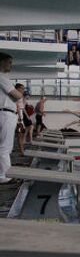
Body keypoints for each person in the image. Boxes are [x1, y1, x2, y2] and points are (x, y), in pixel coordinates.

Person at [0, 54, 23, 184]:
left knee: (4, 146)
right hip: (5, 114)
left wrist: (17, 95)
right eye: (9, 62)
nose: (11, 65)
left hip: (6, 113)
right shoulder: (2, 77)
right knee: (5, 147)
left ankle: (4, 174)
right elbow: (17, 95)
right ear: (1, 62)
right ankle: (5, 177)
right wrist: (17, 95)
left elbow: (16, 96)